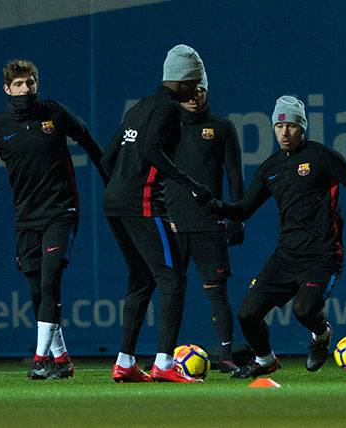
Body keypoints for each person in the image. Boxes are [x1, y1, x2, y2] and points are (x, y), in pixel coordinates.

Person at [208, 96, 346, 379]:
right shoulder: (270, 168)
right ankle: (266, 361)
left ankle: (321, 335)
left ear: (303, 128)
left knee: (304, 309)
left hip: (323, 256)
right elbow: (244, 209)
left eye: (292, 126)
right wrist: (217, 205)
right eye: (279, 126)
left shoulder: (320, 156)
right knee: (247, 314)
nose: (284, 133)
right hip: (285, 257)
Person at [0, 59, 108, 380]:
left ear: (37, 84)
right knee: (37, 291)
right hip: (26, 219)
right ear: (7, 89)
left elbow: (88, 140)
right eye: (18, 85)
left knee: (50, 282)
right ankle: (62, 360)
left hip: (61, 211)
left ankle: (39, 359)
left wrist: (110, 180)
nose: (25, 89)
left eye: (30, 83)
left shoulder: (54, 114)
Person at [102, 44, 212, 383]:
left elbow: (108, 159)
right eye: (196, 82)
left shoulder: (138, 108)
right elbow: (151, 150)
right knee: (172, 278)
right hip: (144, 204)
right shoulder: (167, 110)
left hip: (116, 204)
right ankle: (164, 364)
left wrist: (121, 187)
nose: (197, 89)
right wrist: (190, 183)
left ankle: (124, 362)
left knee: (141, 280)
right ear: (184, 81)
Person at [165, 66, 244, 373]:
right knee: (171, 292)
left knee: (217, 291)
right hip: (173, 223)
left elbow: (235, 177)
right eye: (190, 90)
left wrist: (237, 218)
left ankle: (225, 355)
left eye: (201, 90)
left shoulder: (221, 128)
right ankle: (163, 356)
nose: (195, 97)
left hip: (209, 224)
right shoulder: (167, 126)